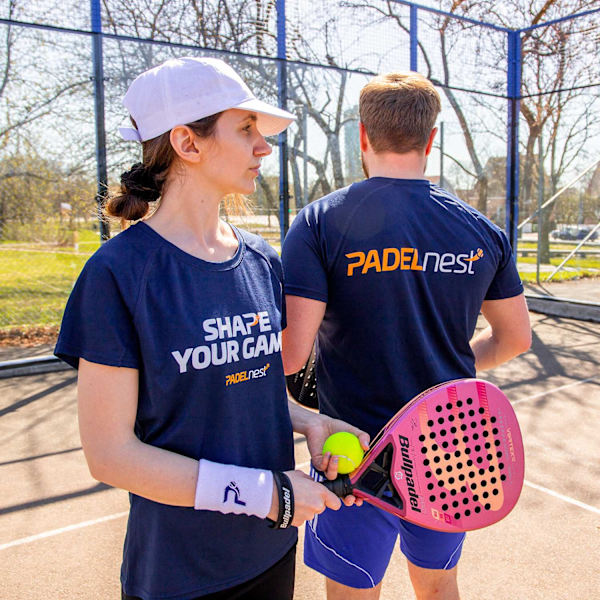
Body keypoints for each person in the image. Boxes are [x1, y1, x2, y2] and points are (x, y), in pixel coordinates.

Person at [54, 56, 368, 600]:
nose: (263, 147)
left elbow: (256, 388)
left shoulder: (262, 261)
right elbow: (110, 454)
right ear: (188, 143)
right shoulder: (117, 274)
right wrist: (270, 495)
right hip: (182, 574)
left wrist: (311, 423)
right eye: (245, 129)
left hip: (270, 551)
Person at [280, 71, 532, 600]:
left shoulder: (319, 222)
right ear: (431, 139)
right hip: (454, 448)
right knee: (440, 588)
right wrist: (447, 365)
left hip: (354, 452)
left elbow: (290, 355)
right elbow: (515, 340)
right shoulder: (482, 230)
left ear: (363, 134)